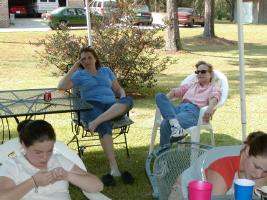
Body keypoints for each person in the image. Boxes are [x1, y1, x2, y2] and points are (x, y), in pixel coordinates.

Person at [57, 46, 134, 186]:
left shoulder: (106, 71)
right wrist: (75, 66)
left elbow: (117, 89)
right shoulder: (79, 75)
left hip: (112, 106)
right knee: (104, 125)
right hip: (92, 106)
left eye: (89, 57)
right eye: (83, 59)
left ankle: (96, 122)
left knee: (128, 101)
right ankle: (114, 168)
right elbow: (61, 86)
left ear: (95, 59)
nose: (86, 61)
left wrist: (122, 96)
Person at [0, 119, 103, 200]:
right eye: (38, 152)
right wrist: (33, 182)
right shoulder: (13, 166)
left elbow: (97, 186)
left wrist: (67, 175)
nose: (45, 157)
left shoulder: (59, 160)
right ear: (24, 145)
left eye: (49, 151)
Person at [168, 131, 267, 199]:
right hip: (184, 193)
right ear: (248, 150)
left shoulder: (259, 165)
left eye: (265, 171)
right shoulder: (223, 168)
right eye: (257, 167)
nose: (258, 175)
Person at [155, 61, 222, 146]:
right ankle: (175, 125)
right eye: (197, 72)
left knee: (165, 123)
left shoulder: (213, 87)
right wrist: (164, 103)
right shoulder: (192, 85)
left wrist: (209, 109)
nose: (200, 74)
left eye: (203, 71)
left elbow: (214, 98)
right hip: (179, 109)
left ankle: (163, 156)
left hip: (193, 113)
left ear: (211, 74)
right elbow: (175, 92)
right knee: (159, 96)